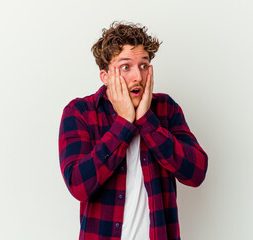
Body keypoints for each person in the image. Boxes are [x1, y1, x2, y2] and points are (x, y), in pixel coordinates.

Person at [58, 21, 208, 240]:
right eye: (126, 67)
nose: (138, 76)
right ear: (105, 76)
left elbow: (196, 173)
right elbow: (78, 185)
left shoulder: (166, 108)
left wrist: (147, 121)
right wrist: (124, 123)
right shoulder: (80, 112)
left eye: (144, 65)